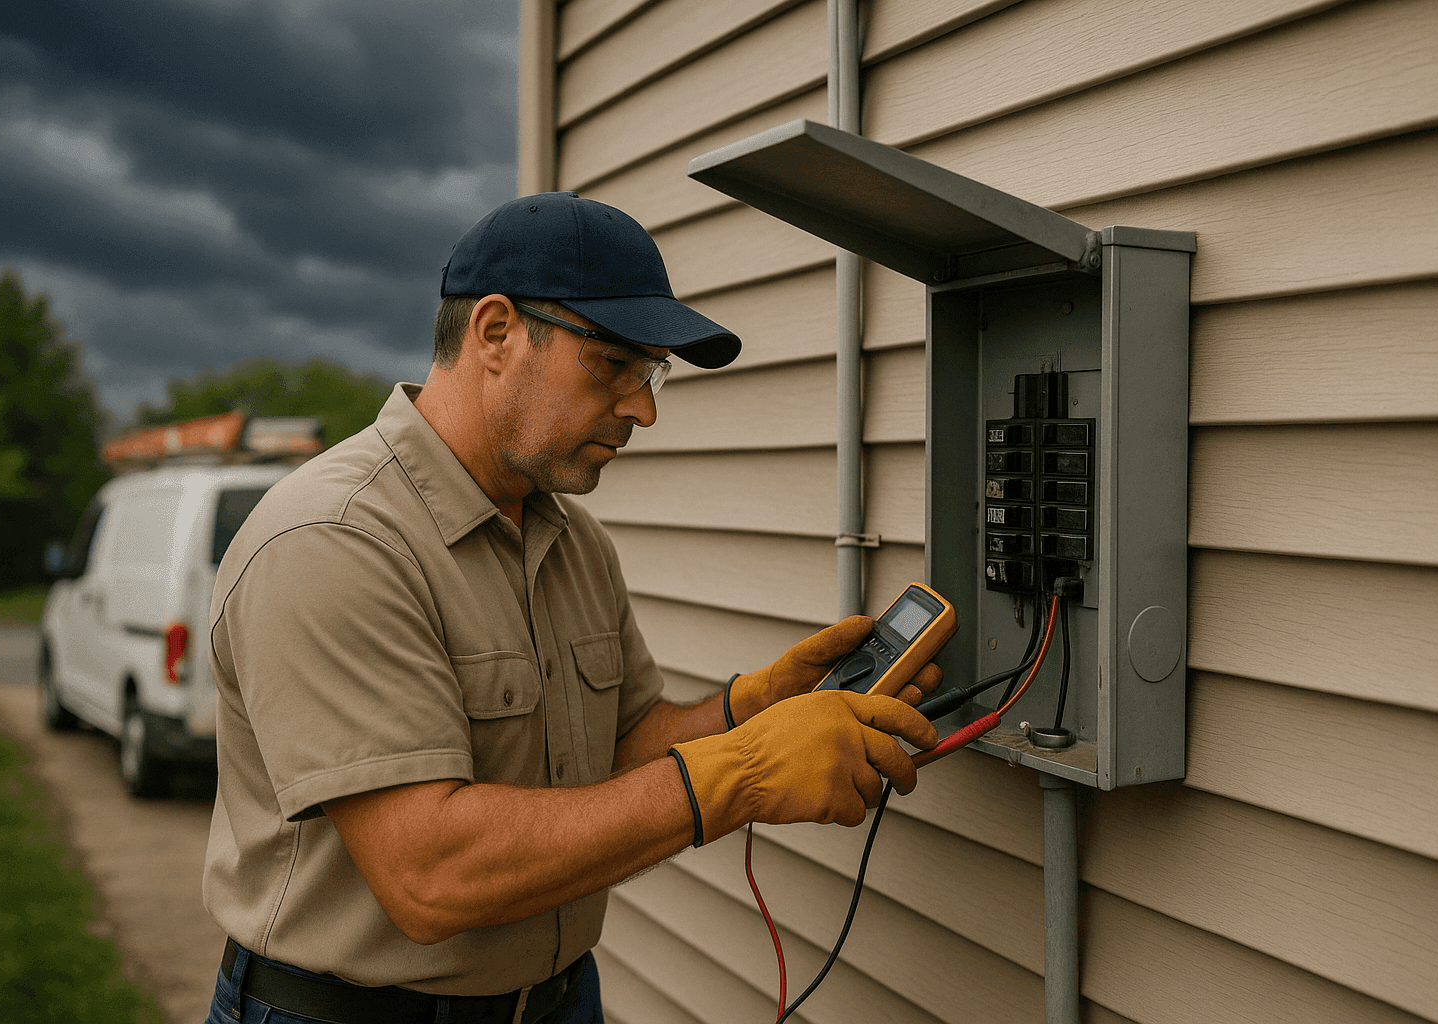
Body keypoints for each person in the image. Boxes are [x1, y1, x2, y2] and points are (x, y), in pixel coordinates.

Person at [201, 191, 941, 1024]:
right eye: (613, 365)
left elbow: (623, 747)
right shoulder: (334, 541)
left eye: (649, 373)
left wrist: (752, 707)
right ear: (494, 333)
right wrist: (746, 772)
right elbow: (430, 874)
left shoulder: (570, 540)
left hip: (557, 1002)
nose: (643, 408)